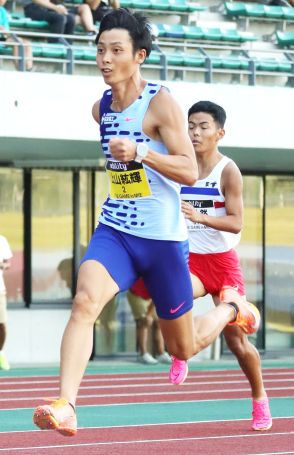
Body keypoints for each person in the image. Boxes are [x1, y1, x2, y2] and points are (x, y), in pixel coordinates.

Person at [32, 9, 260, 437]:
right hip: (116, 229)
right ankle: (66, 405)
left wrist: (140, 153)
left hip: (162, 244)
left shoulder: (160, 103)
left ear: (139, 56)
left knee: (183, 346)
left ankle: (232, 306)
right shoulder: (100, 108)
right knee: (84, 301)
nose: (105, 58)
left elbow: (189, 171)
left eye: (116, 50)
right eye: (100, 49)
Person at [177, 100, 272, 431]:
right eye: (190, 125)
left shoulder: (228, 170)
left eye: (203, 127)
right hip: (191, 260)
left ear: (220, 132)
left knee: (236, 343)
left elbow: (236, 222)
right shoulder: (182, 165)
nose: (195, 132)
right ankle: (180, 350)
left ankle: (259, 399)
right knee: (173, 295)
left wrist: (200, 216)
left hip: (223, 263)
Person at [127, 278, 171, 365]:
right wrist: (148, 315)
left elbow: (157, 298)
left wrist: (150, 313)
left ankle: (160, 353)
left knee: (159, 322)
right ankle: (143, 354)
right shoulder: (158, 276)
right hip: (136, 294)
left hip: (150, 296)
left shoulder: (166, 281)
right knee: (145, 322)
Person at [23, 0, 97, 44]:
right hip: (33, 8)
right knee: (60, 18)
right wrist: (56, 8)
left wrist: (59, 6)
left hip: (49, 8)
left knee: (70, 18)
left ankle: (68, 47)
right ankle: (53, 46)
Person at [0, 0, 33, 70]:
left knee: (27, 43)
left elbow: (6, 29)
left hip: (4, 38)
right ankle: (19, 69)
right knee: (17, 42)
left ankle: (29, 68)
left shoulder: (2, 10)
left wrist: (5, 32)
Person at [0, 234, 13, 371]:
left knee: (2, 324)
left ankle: (0, 353)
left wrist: (2, 265)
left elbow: (8, 263)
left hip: (0, 290)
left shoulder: (2, 240)